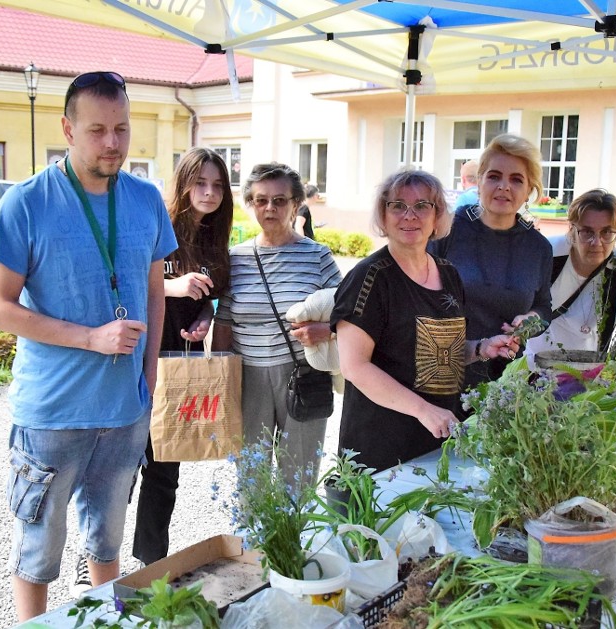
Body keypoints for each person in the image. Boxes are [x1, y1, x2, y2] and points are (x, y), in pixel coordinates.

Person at [0, 71, 177, 621]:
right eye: (97, 130)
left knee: (107, 541)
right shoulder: (26, 203)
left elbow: (154, 292)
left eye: (121, 128)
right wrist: (91, 338)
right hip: (52, 412)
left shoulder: (144, 198)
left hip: (125, 410)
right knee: (39, 549)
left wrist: (151, 371)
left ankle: (108, 619)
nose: (112, 143)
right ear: (67, 129)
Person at [331, 170, 520, 473]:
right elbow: (354, 366)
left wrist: (482, 348)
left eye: (422, 206)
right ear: (383, 214)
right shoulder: (369, 278)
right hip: (381, 447)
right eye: (398, 205)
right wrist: (424, 410)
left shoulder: (448, 273)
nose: (410, 215)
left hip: (439, 441)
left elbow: (440, 350)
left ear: (437, 216)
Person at [132, 147, 234, 566]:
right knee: (121, 465)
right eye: (200, 183)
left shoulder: (216, 235)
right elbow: (126, 279)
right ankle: (95, 555)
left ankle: (150, 560)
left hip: (182, 363)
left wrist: (205, 316)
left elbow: (214, 295)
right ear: (183, 183)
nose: (209, 193)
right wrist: (173, 287)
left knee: (163, 469)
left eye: (217, 185)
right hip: (139, 362)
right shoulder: (158, 223)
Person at [211, 163, 341, 480]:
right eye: (261, 200)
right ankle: (253, 533)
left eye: (280, 200)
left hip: (303, 374)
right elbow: (224, 322)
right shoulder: (235, 258)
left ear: (296, 204)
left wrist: (326, 330)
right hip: (247, 379)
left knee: (298, 478)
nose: (270, 208)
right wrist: (218, 380)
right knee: (250, 479)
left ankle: (295, 532)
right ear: (251, 205)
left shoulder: (318, 256)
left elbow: (349, 313)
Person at [430, 134, 553, 390]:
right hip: (440, 375)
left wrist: (529, 321)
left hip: (504, 386)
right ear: (480, 182)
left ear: (529, 190)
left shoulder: (538, 248)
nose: (504, 186)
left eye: (516, 179)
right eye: (494, 176)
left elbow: (543, 308)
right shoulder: (447, 231)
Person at [525, 189, 616, 383]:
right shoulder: (546, 255)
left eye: (606, 232)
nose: (597, 242)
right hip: (535, 374)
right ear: (572, 229)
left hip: (588, 382)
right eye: (587, 232)